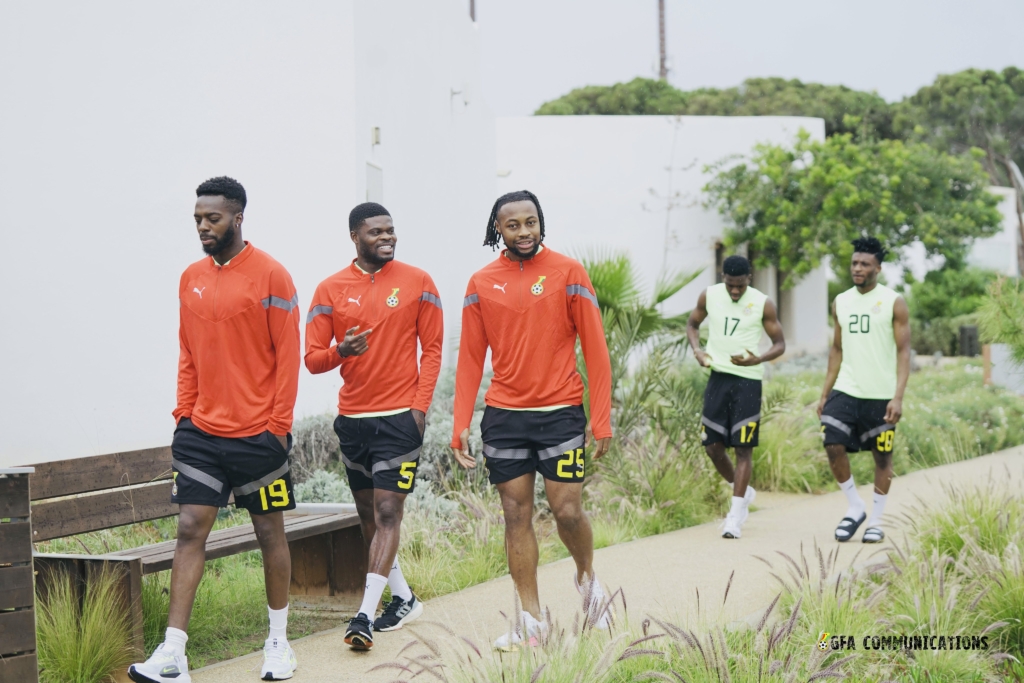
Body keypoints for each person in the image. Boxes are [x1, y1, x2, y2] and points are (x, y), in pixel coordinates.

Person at [130, 177, 301, 683]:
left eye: (213, 219)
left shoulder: (272, 275)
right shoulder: (191, 278)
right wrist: (183, 415)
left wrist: (278, 427)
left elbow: (288, 357)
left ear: (238, 217)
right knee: (189, 529)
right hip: (201, 433)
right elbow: (188, 352)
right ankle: (173, 653)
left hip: (258, 435)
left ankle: (278, 643)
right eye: (198, 220)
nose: (203, 227)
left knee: (269, 532)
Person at [451, 190, 613, 651]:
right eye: (513, 225)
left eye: (531, 222)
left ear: (541, 223)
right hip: (505, 417)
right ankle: (531, 621)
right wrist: (460, 421)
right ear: (497, 229)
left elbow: (595, 348)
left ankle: (587, 580)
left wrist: (600, 418)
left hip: (560, 413)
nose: (524, 232)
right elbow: (470, 357)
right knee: (515, 514)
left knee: (567, 511)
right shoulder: (482, 281)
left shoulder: (568, 273)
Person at [305, 202, 442, 650]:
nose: (387, 237)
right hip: (353, 422)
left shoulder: (419, 281)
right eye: (376, 232)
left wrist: (419, 410)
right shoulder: (329, 289)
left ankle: (363, 616)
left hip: (400, 419)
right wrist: (341, 351)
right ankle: (403, 598)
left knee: (387, 513)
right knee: (369, 516)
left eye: (390, 230)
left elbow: (433, 350)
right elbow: (312, 359)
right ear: (354, 237)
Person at [818, 237, 911, 544]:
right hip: (846, 388)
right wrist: (825, 393)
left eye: (865, 264)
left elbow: (904, 351)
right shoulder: (840, 301)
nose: (857, 268)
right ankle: (855, 506)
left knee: (882, 457)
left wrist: (898, 397)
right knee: (832, 443)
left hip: (880, 394)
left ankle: (876, 520)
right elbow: (836, 348)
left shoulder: (893, 302)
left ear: (878, 269)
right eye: (855, 263)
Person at [686, 255, 785, 539]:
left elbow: (780, 343)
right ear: (723, 278)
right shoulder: (709, 295)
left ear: (749, 279)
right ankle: (742, 491)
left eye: (740, 285)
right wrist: (698, 350)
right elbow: (692, 324)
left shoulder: (763, 303)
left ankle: (734, 516)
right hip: (718, 378)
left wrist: (758, 359)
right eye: (730, 285)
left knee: (743, 449)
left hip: (748, 382)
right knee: (712, 447)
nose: (735, 291)